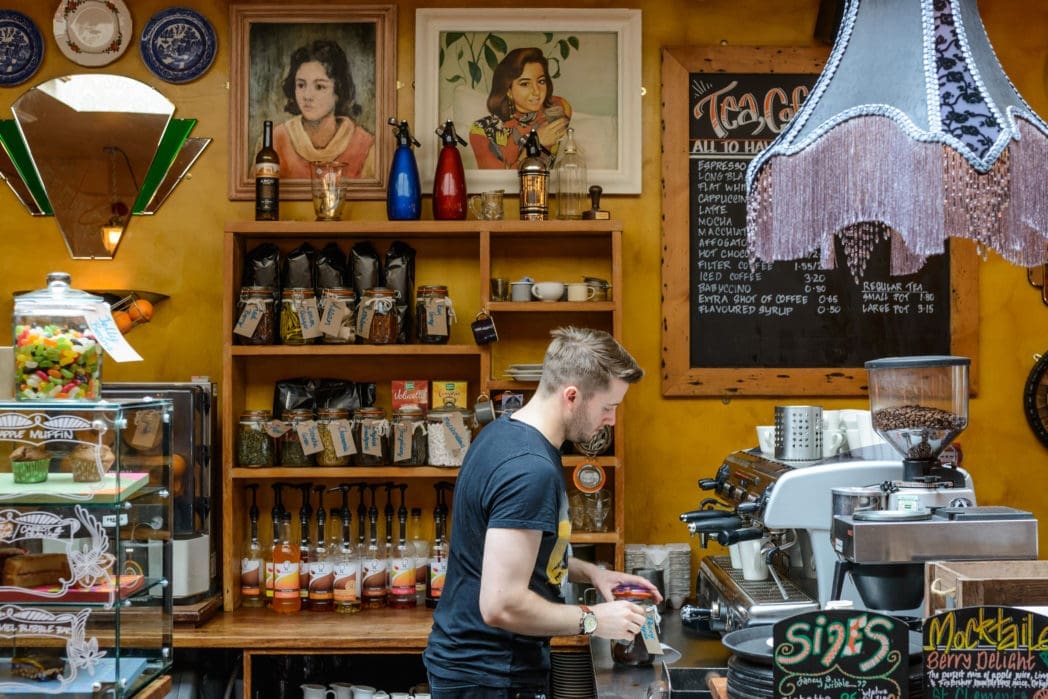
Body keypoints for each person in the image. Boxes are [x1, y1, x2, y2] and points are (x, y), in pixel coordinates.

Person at [423, 327, 658, 698]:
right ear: (572, 396)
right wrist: (594, 620)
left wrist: (593, 573)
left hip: (478, 668)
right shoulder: (530, 470)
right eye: (607, 407)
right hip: (491, 675)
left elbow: (523, 558)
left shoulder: (503, 433)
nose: (611, 419)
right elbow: (500, 604)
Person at [272, 39, 375, 179]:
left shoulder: (365, 145)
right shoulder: (276, 140)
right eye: (301, 85)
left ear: (338, 91)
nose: (307, 96)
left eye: (319, 86)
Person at [469, 47, 573, 170]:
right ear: (508, 90)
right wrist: (536, 143)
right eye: (525, 84)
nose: (536, 92)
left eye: (541, 81)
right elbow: (497, 183)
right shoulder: (482, 130)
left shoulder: (558, 107)